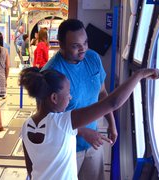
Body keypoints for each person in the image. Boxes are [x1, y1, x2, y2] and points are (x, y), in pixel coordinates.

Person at [20, 67, 159, 179]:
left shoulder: (26, 125)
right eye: (68, 94)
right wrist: (140, 74)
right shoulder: (63, 121)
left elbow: (30, 169)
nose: (70, 98)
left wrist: (83, 131)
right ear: (54, 98)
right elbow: (113, 103)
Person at [42, 19, 116, 179]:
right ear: (61, 44)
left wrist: (112, 123)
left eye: (85, 43)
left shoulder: (93, 58)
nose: (83, 49)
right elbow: (48, 120)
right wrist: (82, 132)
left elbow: (102, 93)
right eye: (75, 46)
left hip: (93, 143)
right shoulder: (51, 73)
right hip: (65, 149)